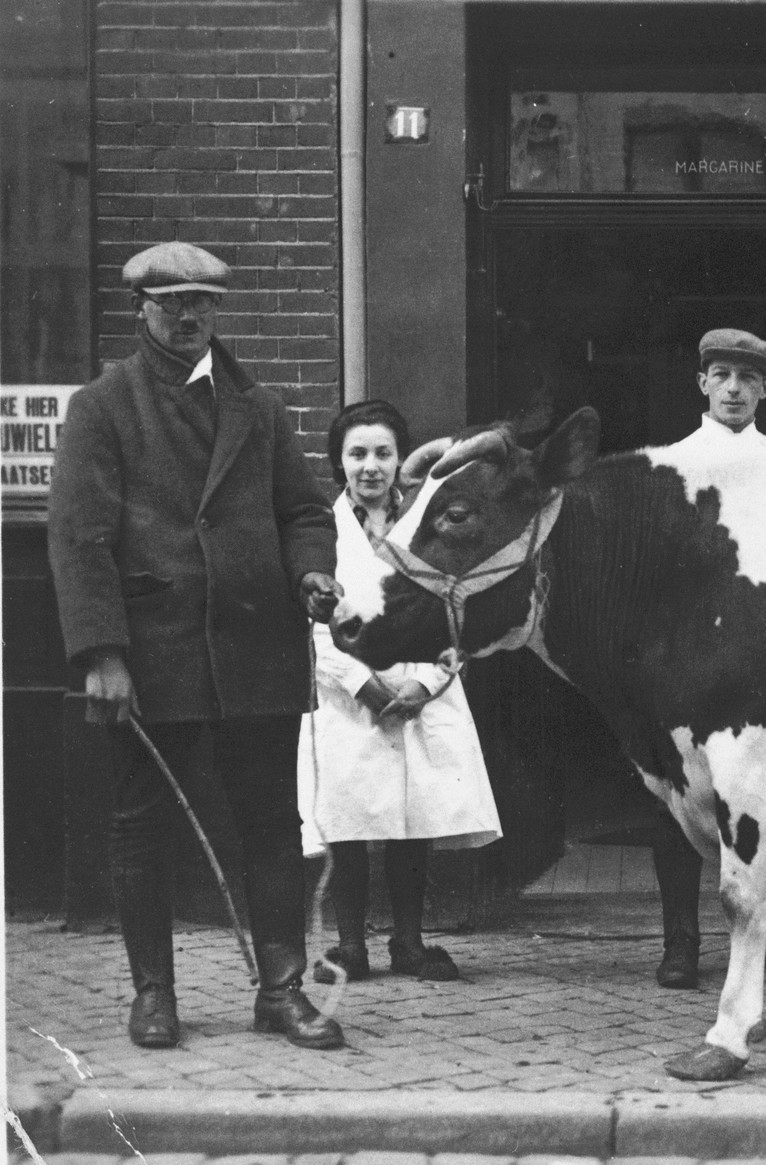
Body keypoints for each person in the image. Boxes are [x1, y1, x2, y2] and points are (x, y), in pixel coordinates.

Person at [48, 241, 346, 1050]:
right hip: (153, 652)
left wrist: (311, 575)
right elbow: (80, 538)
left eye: (202, 303)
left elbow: (305, 512)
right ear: (141, 308)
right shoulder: (104, 406)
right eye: (170, 301)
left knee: (271, 825)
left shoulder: (264, 407)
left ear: (218, 309)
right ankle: (155, 995)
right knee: (142, 824)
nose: (187, 316)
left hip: (258, 648)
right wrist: (102, 653)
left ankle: (281, 991)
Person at [301, 401, 503, 984]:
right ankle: (350, 947)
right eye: (357, 454)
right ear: (339, 463)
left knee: (411, 822)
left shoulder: (425, 521)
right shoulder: (323, 530)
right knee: (352, 820)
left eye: (383, 453)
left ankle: (409, 943)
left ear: (400, 459)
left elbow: (459, 604)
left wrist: (426, 682)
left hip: (419, 692)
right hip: (347, 697)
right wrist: (363, 684)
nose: (371, 467)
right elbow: (315, 621)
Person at [652, 327, 766, 988]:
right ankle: (680, 940)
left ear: (765, 389)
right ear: (701, 382)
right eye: (721, 374)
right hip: (689, 655)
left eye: (747, 379)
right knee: (681, 793)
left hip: (759, 658)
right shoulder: (670, 463)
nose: (733, 389)